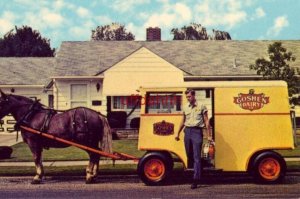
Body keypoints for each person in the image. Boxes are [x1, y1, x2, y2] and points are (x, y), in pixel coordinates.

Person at [175, 89, 211, 189]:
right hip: (187, 131)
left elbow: (207, 121)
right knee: (189, 155)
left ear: (194, 96)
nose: (188, 98)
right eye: (187, 97)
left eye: (189, 96)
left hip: (197, 132)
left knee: (196, 156)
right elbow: (183, 120)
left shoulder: (201, 106)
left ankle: (196, 180)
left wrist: (209, 135)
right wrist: (177, 133)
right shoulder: (185, 107)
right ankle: (201, 167)